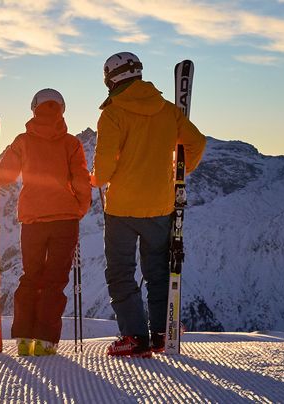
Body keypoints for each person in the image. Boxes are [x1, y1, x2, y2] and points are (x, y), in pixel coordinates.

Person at [92, 52, 207, 357]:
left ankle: (133, 337)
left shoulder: (113, 114)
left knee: (121, 272)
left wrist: (94, 180)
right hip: (160, 204)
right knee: (158, 272)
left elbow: (103, 169)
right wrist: (178, 173)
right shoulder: (168, 111)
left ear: (110, 78)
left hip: (121, 208)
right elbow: (197, 141)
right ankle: (160, 334)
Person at [0, 88, 92, 356]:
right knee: (54, 281)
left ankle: (23, 338)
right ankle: (44, 341)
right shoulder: (71, 144)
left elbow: (4, 176)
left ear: (34, 108)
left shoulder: (23, 141)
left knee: (31, 277)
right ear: (62, 109)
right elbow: (81, 181)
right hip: (65, 220)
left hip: (32, 220)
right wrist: (79, 209)